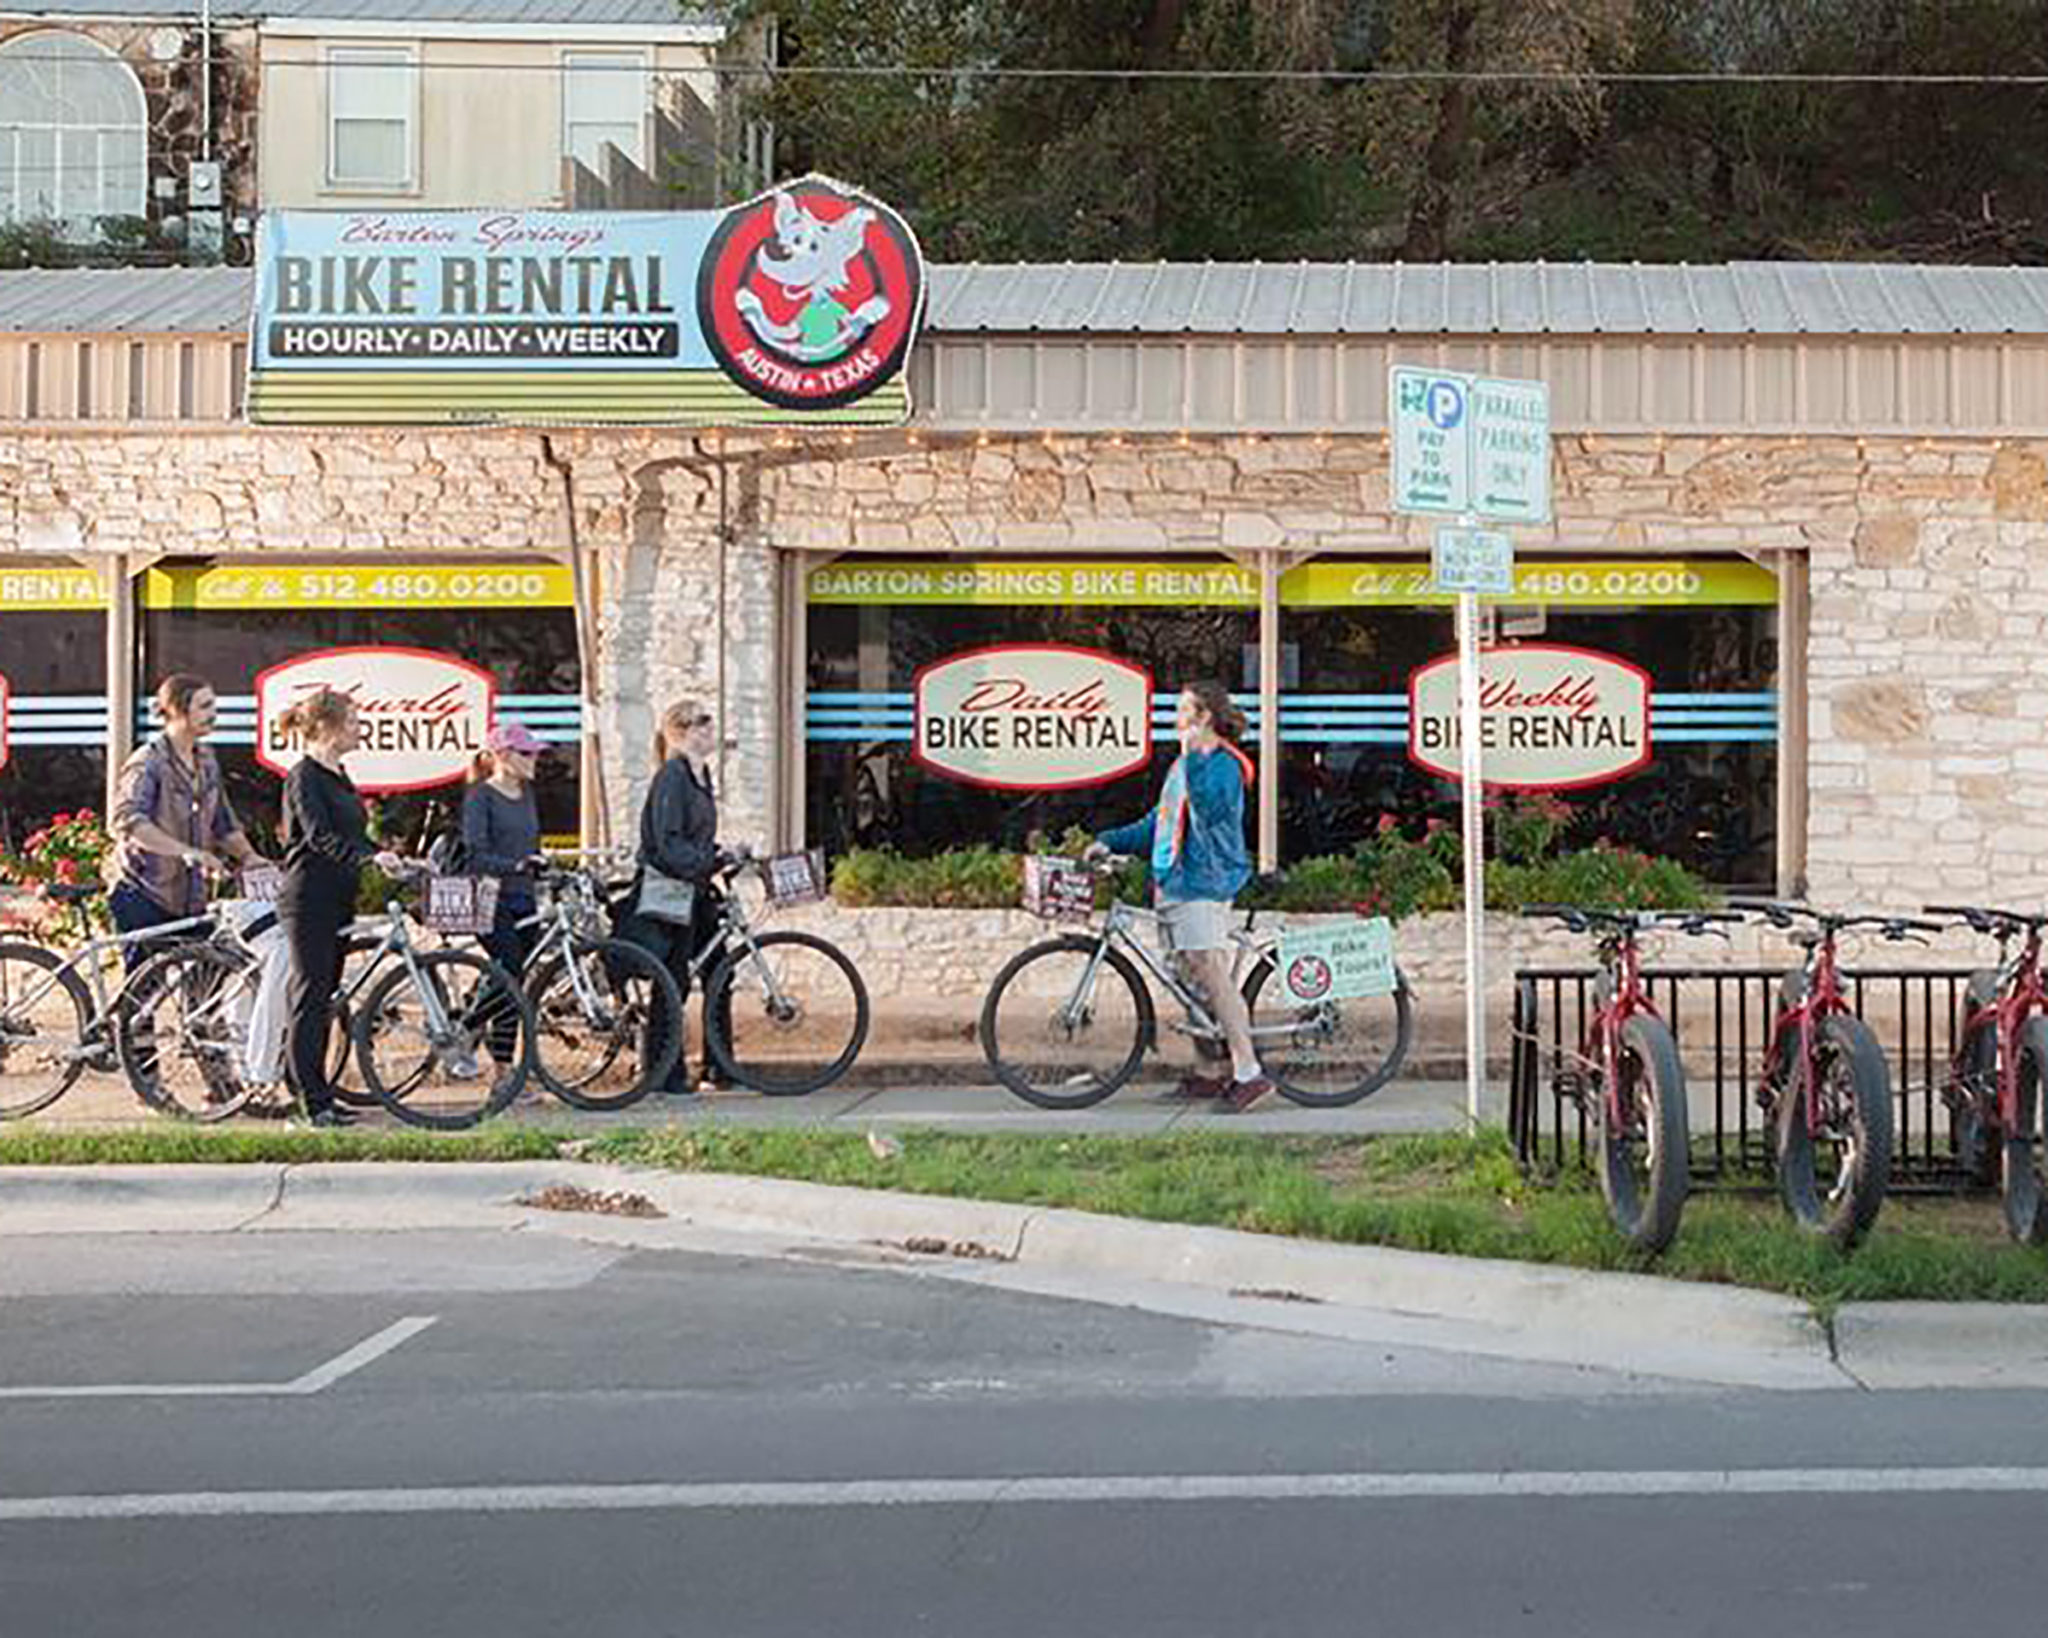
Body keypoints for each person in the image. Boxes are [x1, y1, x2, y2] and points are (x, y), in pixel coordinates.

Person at [1088, 680, 1273, 1112]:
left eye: (1183, 709)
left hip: (1205, 882)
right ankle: (1210, 1072)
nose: (1175, 719)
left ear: (1204, 716)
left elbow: (1211, 810)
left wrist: (1191, 759)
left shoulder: (1225, 765)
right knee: (1187, 978)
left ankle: (1250, 1073)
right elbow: (1161, 821)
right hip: (1173, 880)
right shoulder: (1183, 765)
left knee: (1209, 968)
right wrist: (1110, 841)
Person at [275, 688, 401, 1127]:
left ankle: (319, 1092)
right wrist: (365, 858)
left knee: (325, 996)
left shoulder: (339, 774)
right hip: (308, 897)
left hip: (337, 897)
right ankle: (309, 1100)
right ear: (326, 726)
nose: (359, 727)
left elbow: (350, 834)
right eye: (352, 720)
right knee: (309, 996)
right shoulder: (303, 776)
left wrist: (380, 853)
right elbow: (317, 835)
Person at [109, 674, 261, 964]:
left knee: (207, 981)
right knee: (143, 994)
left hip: (191, 898)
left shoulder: (206, 759)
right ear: (178, 710)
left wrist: (249, 856)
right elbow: (128, 820)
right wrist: (187, 852)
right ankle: (121, 1011)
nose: (213, 714)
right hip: (144, 891)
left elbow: (222, 823)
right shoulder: (149, 761)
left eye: (213, 706)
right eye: (204, 706)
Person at [622, 699, 730, 1096]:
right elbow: (667, 843)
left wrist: (720, 853)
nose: (709, 729)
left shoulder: (701, 777)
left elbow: (695, 836)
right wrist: (708, 859)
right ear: (681, 732)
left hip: (696, 886)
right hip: (672, 889)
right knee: (672, 980)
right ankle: (662, 1073)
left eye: (709, 721)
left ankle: (720, 1065)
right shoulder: (672, 776)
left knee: (721, 969)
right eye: (702, 723)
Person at [462, 722, 546, 1065]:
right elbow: (475, 854)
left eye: (535, 753)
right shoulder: (481, 796)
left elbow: (529, 845)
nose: (534, 759)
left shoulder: (527, 795)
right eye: (527, 753)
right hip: (490, 897)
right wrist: (515, 865)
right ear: (502, 755)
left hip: (524, 896)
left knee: (514, 981)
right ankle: (469, 1026)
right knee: (508, 968)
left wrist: (539, 865)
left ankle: (502, 1070)